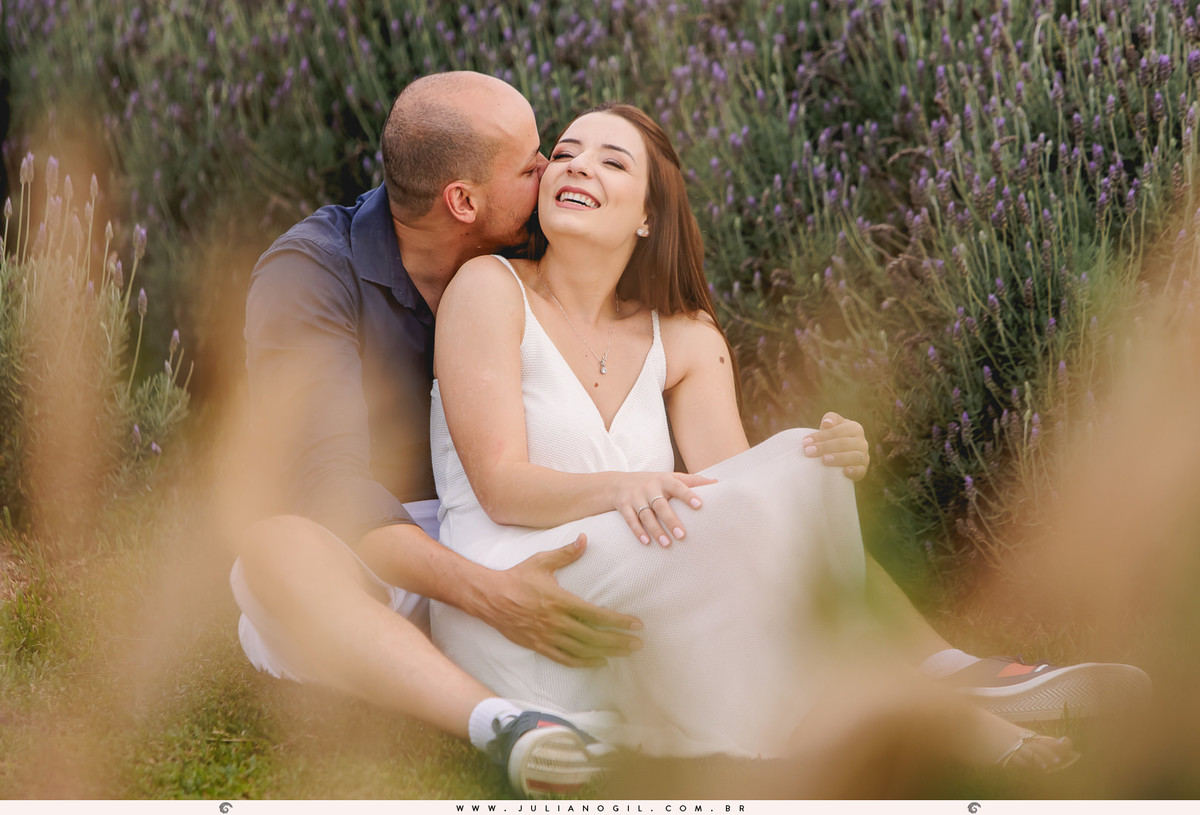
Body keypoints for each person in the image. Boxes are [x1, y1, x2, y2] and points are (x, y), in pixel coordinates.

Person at [232, 72, 1143, 794]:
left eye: (589, 158)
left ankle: (940, 674)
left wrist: (819, 462)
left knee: (794, 472)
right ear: (465, 203)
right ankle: (506, 720)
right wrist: (494, 590)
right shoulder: (341, 278)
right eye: (542, 161)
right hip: (400, 539)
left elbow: (747, 495)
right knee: (276, 549)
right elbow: (336, 485)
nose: (558, 169)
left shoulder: (663, 328)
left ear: (647, 215)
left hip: (587, 552)